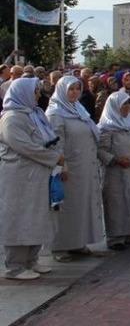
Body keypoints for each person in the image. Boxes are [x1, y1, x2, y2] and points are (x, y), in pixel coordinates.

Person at [0, 78, 64, 280]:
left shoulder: (35, 115)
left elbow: (49, 139)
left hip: (38, 175)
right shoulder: (11, 118)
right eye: (35, 91)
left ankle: (31, 260)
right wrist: (54, 158)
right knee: (20, 218)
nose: (38, 95)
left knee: (36, 217)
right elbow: (24, 146)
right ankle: (15, 266)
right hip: (19, 177)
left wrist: (56, 157)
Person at [45, 76, 104, 262]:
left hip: (84, 167)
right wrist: (62, 166)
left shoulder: (78, 110)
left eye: (78, 89)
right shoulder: (55, 113)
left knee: (81, 206)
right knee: (65, 208)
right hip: (68, 169)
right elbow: (55, 143)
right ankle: (60, 246)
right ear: (62, 90)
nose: (75, 93)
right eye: (71, 89)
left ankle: (78, 242)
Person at [96, 91, 130, 250]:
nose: (126, 107)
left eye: (128, 103)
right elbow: (100, 150)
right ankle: (115, 238)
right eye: (123, 104)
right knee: (117, 203)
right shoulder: (106, 126)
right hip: (115, 172)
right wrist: (116, 160)